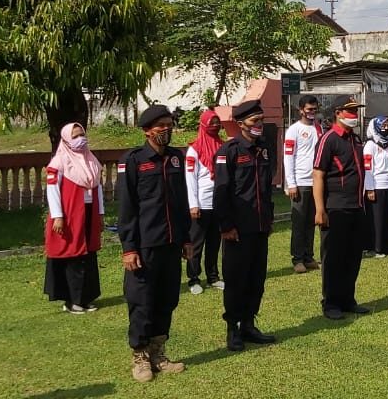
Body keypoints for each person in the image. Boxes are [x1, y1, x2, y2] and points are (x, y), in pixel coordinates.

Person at [117, 104, 194, 383]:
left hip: (172, 243)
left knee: (167, 298)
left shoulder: (176, 158)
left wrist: (187, 238)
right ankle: (140, 356)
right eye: (160, 126)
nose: (166, 129)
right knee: (142, 301)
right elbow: (127, 208)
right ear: (147, 130)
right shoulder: (134, 161)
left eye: (169, 124)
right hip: (145, 244)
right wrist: (129, 247)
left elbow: (181, 201)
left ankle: (158, 353)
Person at [213, 99, 276, 352]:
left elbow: (267, 189)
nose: (259, 124)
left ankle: (249, 324)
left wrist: (269, 219)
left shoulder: (264, 149)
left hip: (259, 226)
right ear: (241, 124)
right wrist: (226, 226)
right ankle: (233, 328)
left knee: (256, 279)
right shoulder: (228, 151)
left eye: (261, 120)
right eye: (254, 121)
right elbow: (221, 192)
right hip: (237, 229)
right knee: (236, 279)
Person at [312, 95, 369, 320]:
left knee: (353, 256)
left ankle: (348, 299)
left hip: (356, 205)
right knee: (334, 257)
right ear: (337, 113)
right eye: (349, 111)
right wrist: (319, 209)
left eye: (355, 111)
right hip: (335, 208)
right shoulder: (329, 139)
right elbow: (318, 175)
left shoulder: (355, 140)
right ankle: (331, 303)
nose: (353, 115)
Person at [43, 122, 103, 314]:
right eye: (75, 136)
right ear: (67, 139)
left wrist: (100, 213)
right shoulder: (59, 162)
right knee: (73, 255)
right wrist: (58, 216)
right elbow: (52, 190)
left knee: (88, 254)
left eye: (82, 135)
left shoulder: (91, 160)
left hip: (88, 211)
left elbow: (98, 189)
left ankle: (85, 297)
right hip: (69, 214)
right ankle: (72, 300)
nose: (80, 139)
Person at [185, 109, 225, 296]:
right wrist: (193, 204)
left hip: (217, 204)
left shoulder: (222, 146)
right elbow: (190, 179)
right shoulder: (194, 150)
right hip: (201, 204)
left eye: (218, 122)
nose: (215, 126)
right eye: (212, 122)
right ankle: (193, 278)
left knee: (214, 243)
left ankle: (213, 277)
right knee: (196, 244)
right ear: (203, 125)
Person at [284, 95, 322, 273]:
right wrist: (291, 183)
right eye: (309, 109)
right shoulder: (293, 130)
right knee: (299, 222)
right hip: (300, 183)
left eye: (315, 109)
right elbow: (288, 157)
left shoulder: (319, 128)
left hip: (316, 182)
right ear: (301, 110)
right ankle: (297, 259)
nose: (312, 112)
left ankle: (308, 256)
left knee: (311, 222)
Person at [363, 116, 388, 257]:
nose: (386, 128)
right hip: (376, 186)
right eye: (383, 125)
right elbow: (368, 169)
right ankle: (377, 248)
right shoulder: (370, 145)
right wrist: (370, 188)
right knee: (377, 219)